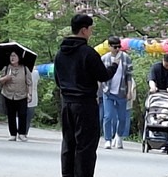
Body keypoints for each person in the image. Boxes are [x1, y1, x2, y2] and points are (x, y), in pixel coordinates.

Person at [55, 14, 120, 177]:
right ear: (84, 30)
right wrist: (114, 65)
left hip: (67, 103)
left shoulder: (60, 53)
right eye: (91, 29)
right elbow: (103, 75)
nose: (91, 32)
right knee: (86, 146)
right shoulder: (88, 53)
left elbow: (57, 79)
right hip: (85, 104)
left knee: (68, 143)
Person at [100, 36, 133, 149]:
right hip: (107, 91)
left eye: (119, 47)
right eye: (115, 47)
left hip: (122, 91)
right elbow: (100, 77)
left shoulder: (126, 58)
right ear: (109, 47)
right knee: (108, 116)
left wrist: (129, 91)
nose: (117, 49)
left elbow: (129, 76)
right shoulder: (104, 59)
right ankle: (107, 139)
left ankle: (118, 136)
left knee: (122, 117)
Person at [0, 51, 32, 141]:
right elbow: (0, 80)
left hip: (22, 95)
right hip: (8, 94)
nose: (12, 58)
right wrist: (6, 78)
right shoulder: (6, 68)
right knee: (11, 115)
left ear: (19, 58)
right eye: (11, 56)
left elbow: (29, 83)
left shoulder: (25, 68)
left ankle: (22, 134)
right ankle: (13, 134)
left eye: (14, 56)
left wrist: (29, 94)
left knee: (23, 114)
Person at [25, 66, 40, 135]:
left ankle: (21, 132)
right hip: (33, 97)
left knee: (21, 115)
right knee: (28, 117)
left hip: (22, 96)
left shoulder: (22, 71)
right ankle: (25, 132)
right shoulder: (36, 72)